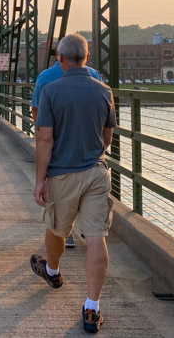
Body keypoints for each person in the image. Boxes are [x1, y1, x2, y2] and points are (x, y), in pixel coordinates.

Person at [30, 33, 116, 334]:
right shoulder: (104, 91)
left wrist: (40, 180)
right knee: (96, 236)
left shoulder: (51, 90)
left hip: (62, 173)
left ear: (60, 58)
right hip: (96, 172)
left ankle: (52, 271)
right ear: (87, 57)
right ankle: (92, 307)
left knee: (56, 228)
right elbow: (107, 138)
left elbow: (44, 138)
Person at [31, 50, 103, 249]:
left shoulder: (45, 78)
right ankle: (88, 230)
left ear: (58, 56)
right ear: (86, 55)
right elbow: (105, 124)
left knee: (64, 196)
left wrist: (42, 129)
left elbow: (36, 109)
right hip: (89, 148)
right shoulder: (95, 76)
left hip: (59, 148)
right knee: (89, 194)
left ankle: (65, 236)